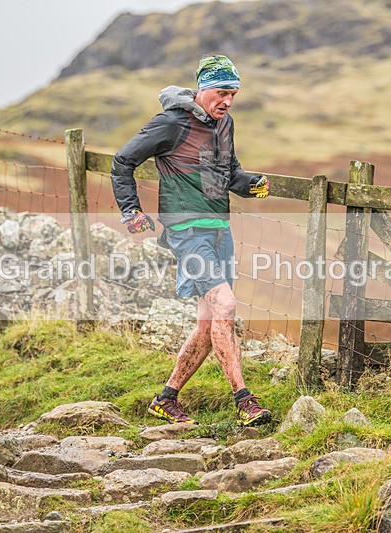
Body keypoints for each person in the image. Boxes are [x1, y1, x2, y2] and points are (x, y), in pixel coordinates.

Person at [110, 54, 272, 427]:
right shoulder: (171, 123)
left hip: (219, 230)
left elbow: (227, 174)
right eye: (221, 92)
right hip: (186, 232)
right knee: (226, 305)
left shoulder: (224, 124)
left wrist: (251, 185)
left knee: (208, 321)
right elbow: (122, 161)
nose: (227, 101)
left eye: (233, 93)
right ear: (202, 88)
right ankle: (244, 403)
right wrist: (131, 210)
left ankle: (165, 399)